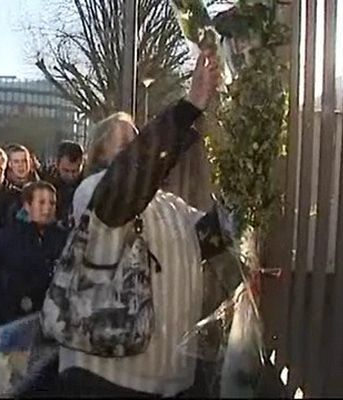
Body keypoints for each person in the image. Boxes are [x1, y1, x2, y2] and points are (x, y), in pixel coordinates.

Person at [58, 50, 226, 397]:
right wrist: (190, 105)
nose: (138, 140)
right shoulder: (92, 192)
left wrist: (245, 191)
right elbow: (129, 181)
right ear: (101, 151)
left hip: (172, 381)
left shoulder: (171, 205)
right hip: (106, 380)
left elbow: (209, 238)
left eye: (140, 134)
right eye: (128, 137)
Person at [0, 181, 67, 326]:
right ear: (27, 206)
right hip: (13, 319)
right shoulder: (5, 239)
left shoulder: (64, 238)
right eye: (41, 203)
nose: (47, 209)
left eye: (52, 203)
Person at [42, 141, 84, 228]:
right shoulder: (45, 184)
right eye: (66, 170)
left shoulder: (89, 185)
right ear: (57, 164)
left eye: (75, 171)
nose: (71, 176)